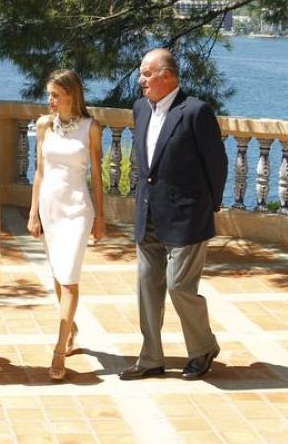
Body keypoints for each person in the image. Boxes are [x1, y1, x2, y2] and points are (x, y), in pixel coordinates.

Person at [119, 48, 227, 381]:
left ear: (169, 75)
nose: (142, 80)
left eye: (148, 73)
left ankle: (203, 347)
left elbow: (217, 164)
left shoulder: (195, 112)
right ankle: (151, 357)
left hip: (187, 216)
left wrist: (208, 206)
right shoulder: (140, 109)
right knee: (147, 288)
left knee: (179, 285)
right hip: (149, 214)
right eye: (141, 73)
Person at [27, 69, 105, 381]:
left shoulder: (91, 127)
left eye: (55, 95)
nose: (50, 101)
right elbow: (40, 172)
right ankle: (70, 326)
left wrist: (101, 217)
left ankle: (59, 349)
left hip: (77, 209)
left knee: (70, 279)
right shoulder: (44, 125)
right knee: (59, 276)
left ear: (72, 95)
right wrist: (33, 212)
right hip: (49, 208)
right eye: (49, 95)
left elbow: (97, 176)